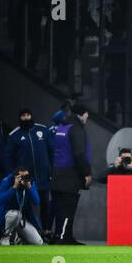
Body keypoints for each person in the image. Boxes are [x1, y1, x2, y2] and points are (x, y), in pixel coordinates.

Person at [4, 108, 54, 236]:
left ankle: (46, 230)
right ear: (20, 118)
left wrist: (52, 170)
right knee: (27, 205)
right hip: (27, 178)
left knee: (45, 203)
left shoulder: (43, 130)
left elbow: (52, 151)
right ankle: (29, 232)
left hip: (44, 175)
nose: (26, 118)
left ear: (32, 116)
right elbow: (9, 157)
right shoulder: (14, 135)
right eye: (23, 116)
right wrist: (14, 174)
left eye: (28, 115)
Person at [51, 104, 92, 245]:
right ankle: (63, 237)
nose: (87, 116)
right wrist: (87, 173)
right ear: (81, 114)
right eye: (86, 113)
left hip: (57, 174)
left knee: (60, 208)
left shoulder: (62, 127)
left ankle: (62, 235)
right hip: (70, 175)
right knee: (69, 209)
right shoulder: (76, 129)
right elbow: (79, 153)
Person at [0, 166, 43, 245]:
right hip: (6, 217)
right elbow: (1, 200)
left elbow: (36, 201)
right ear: (15, 177)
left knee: (38, 242)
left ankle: (17, 238)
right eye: (21, 177)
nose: (24, 179)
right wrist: (14, 187)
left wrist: (29, 187)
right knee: (15, 214)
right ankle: (5, 236)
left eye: (26, 176)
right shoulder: (7, 181)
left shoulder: (29, 183)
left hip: (21, 219)